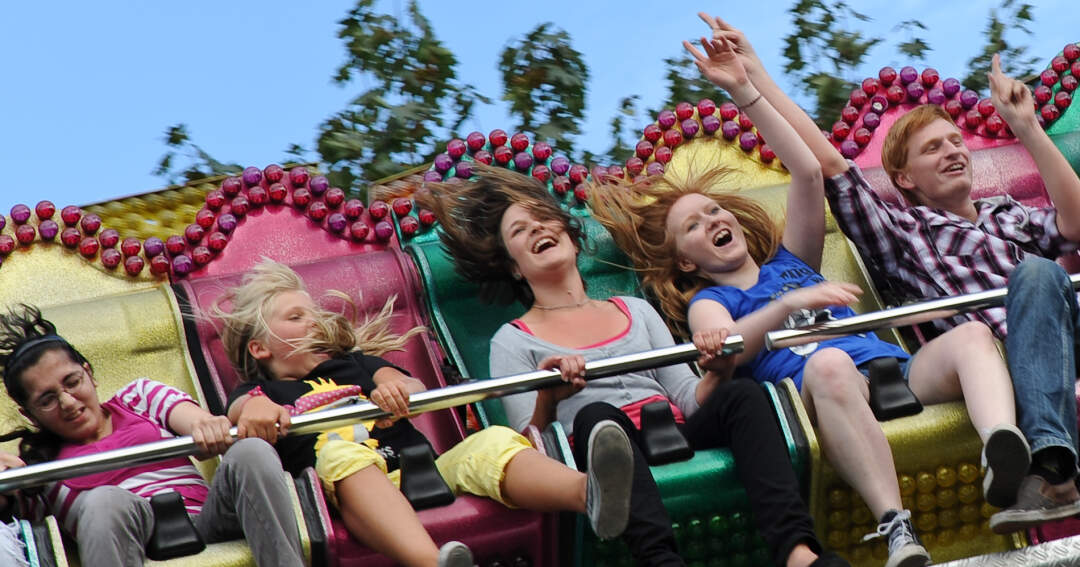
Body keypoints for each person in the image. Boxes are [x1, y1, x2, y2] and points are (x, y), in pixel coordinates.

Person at [588, 31, 1032, 567]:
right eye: (693, 226)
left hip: (891, 372)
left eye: (713, 211)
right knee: (829, 364)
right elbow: (729, 345)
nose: (712, 221)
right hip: (819, 394)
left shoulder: (791, 260)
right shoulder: (712, 299)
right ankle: (895, 527)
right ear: (685, 260)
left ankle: (1002, 448)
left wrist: (744, 90)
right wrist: (784, 309)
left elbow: (805, 169)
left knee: (971, 335)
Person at [699, 11, 1080, 535]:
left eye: (955, 142)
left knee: (1039, 272)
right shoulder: (902, 232)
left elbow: (1074, 225)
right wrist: (753, 77)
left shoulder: (1006, 214)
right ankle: (1051, 464)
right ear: (903, 177)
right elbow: (826, 165)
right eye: (933, 148)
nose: (952, 151)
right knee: (1035, 273)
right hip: (1002, 355)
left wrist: (1027, 127)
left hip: (1064, 334)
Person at [418, 164, 849, 567]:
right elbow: (529, 445)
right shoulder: (512, 340)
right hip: (599, 452)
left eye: (544, 219)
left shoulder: (636, 310)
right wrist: (550, 397)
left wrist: (718, 370)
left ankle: (798, 553)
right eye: (520, 230)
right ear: (514, 265)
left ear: (570, 236)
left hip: (670, 430)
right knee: (598, 416)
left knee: (742, 394)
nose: (537, 228)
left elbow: (687, 398)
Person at [213, 259, 634, 567]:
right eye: (295, 316)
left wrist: (394, 387)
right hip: (346, 490)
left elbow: (412, 386)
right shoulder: (261, 390)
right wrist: (258, 408)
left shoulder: (356, 365)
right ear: (260, 348)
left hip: (421, 470)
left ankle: (590, 493)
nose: (314, 321)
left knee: (492, 442)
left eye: (313, 312)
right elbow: (242, 408)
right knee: (344, 456)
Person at [0, 304, 304, 567]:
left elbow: (195, 421)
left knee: (251, 451)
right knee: (103, 502)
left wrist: (206, 427)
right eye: (48, 400)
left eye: (72, 382)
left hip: (206, 518)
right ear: (30, 415)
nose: (68, 402)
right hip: (126, 542)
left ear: (88, 373)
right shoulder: (40, 471)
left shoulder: (139, 397)